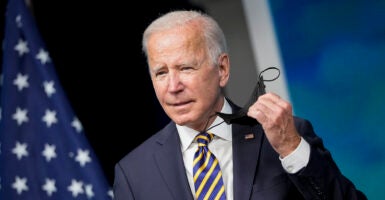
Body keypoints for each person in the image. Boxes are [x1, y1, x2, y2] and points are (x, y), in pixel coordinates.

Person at [113, 10, 367, 200]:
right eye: (161, 73)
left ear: (222, 69)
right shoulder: (134, 172)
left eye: (186, 68)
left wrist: (291, 148)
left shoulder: (285, 135)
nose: (173, 86)